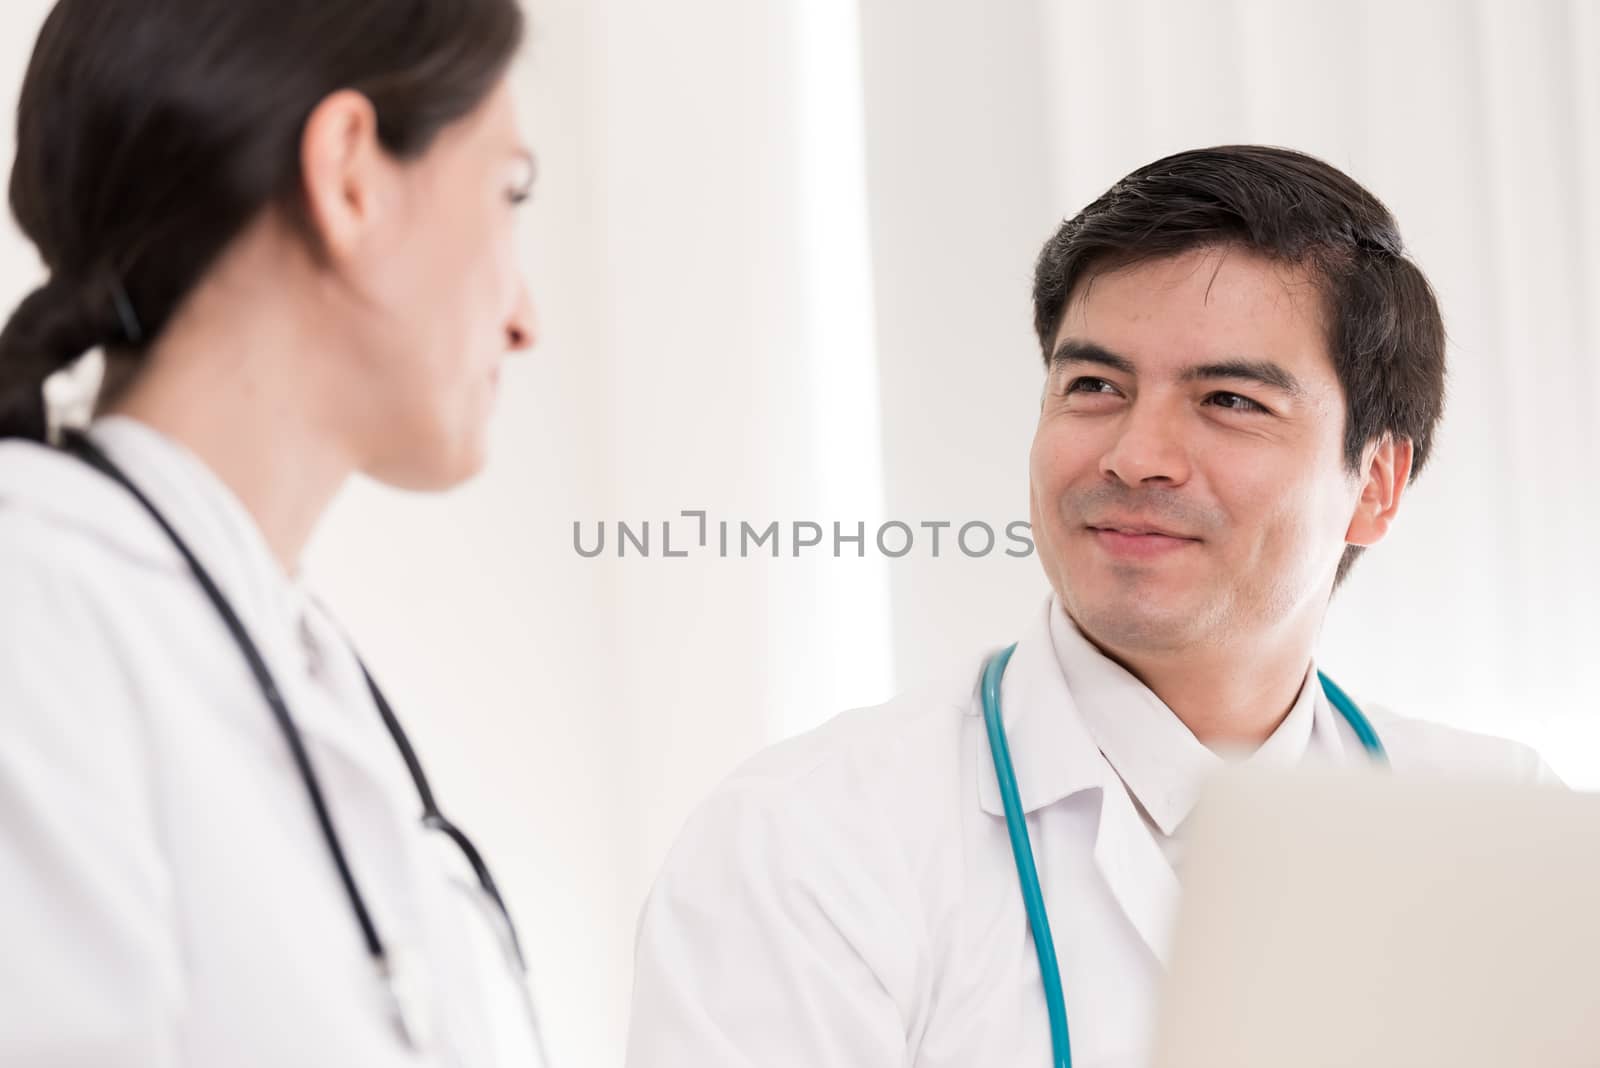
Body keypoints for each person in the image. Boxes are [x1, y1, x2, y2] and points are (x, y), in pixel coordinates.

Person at [624, 145, 1558, 1068]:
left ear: (1376, 486)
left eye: (1228, 399)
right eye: (1095, 387)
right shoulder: (807, 842)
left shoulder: (1515, 837)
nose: (1135, 454)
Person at [0, 2, 546, 1065]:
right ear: (349, 174)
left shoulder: (284, 658)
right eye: (507, 191)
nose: (528, 317)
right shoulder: (35, 610)